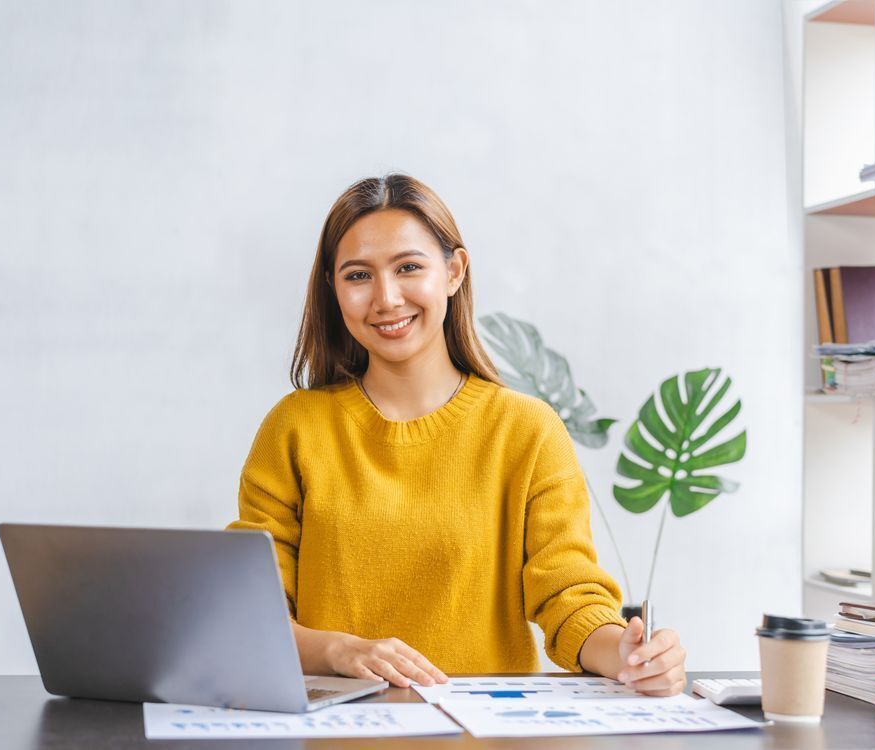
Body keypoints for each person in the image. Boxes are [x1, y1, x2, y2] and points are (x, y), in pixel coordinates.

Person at [229, 174, 687, 696]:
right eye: (358, 275)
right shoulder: (294, 428)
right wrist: (339, 649)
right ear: (333, 289)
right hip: (337, 727)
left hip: (481, 732)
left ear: (453, 271)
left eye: (408, 268)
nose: (386, 297)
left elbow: (569, 597)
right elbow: (249, 612)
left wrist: (628, 655)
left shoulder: (526, 430)